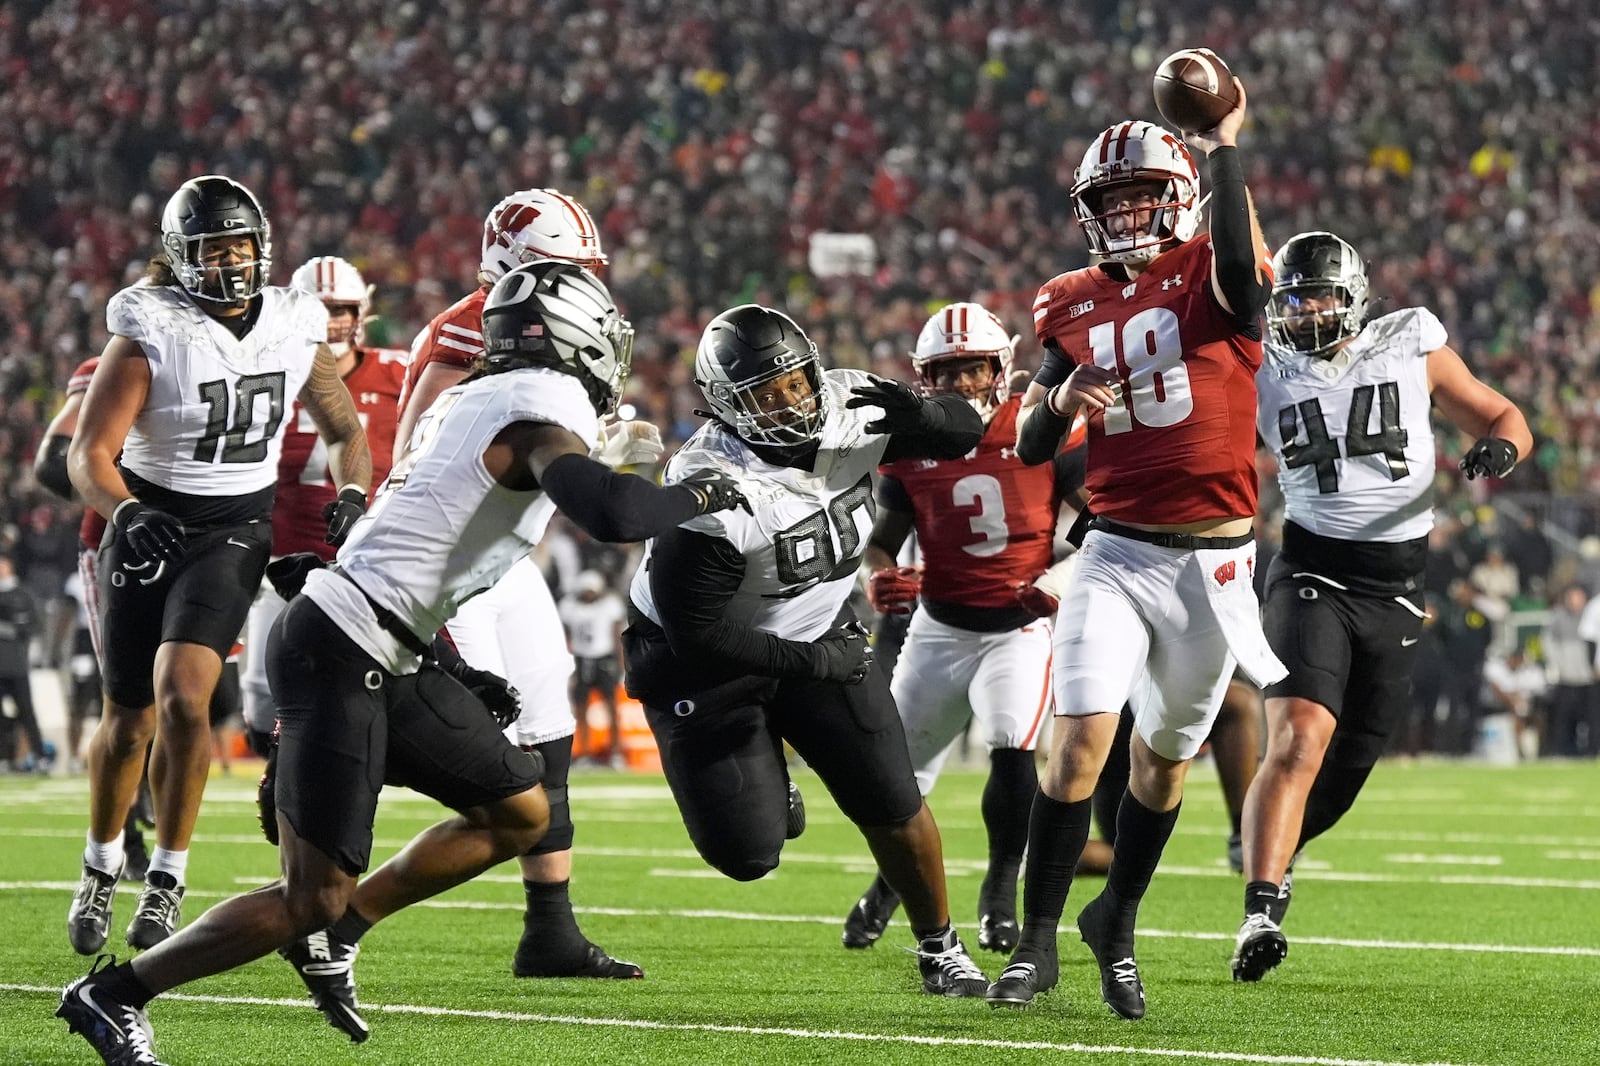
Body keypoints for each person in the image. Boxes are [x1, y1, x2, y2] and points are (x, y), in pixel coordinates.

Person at [56, 260, 752, 1066]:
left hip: (389, 641)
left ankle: (339, 938)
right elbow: (615, 512)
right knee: (308, 895)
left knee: (521, 813)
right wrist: (701, 493)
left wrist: (453, 668)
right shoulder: (538, 409)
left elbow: (425, 546)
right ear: (575, 340)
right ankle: (114, 995)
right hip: (344, 648)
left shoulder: (474, 397)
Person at [986, 86, 1286, 1019]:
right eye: (1108, 201)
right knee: (1077, 742)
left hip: (1215, 563)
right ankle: (1036, 947)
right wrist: (1057, 404)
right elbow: (1034, 444)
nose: (1124, 214)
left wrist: (1223, 142)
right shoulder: (1065, 301)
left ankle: (1114, 921)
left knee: (1162, 765)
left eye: (1140, 196)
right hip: (1113, 552)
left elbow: (1240, 264)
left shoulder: (1214, 268)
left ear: (1181, 194)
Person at [623, 303, 995, 998]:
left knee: (892, 797)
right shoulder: (710, 488)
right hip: (703, 666)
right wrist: (816, 664)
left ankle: (940, 947)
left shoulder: (852, 404)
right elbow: (699, 635)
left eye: (795, 382)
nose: (790, 402)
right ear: (725, 407)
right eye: (765, 394)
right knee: (747, 854)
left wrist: (920, 414)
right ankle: (768, 766)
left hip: (815, 627)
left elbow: (965, 428)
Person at [62, 174, 373, 957]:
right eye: (210, 248)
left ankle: (167, 879)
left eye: (239, 245)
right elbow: (86, 455)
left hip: (234, 525)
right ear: (179, 257)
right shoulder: (151, 328)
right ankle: (101, 865)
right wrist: (127, 511)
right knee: (128, 718)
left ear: (263, 247)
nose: (229, 262)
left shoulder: (293, 325)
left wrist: (356, 487)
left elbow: (343, 428)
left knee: (184, 698)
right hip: (149, 521)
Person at [1233, 230, 1533, 981]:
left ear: (1356, 297)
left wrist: (1500, 451)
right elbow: (1243, 253)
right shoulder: (1261, 368)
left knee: (1345, 771)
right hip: (1310, 571)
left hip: (1398, 589)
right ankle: (1259, 910)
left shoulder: (1411, 340)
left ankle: (1281, 855)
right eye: (1294, 299)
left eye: (1322, 296)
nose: (1305, 312)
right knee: (1299, 735)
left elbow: (1504, 416)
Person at [384, 187, 651, 989]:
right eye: (560, 270)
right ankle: (328, 868)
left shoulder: (545, 326)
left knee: (549, 728)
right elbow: (425, 450)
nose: (581, 286)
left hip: (506, 561)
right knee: (481, 753)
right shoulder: (475, 328)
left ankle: (550, 932)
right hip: (451, 569)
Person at [840, 302, 1085, 955]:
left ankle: (998, 892)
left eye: (974, 370)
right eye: (948, 375)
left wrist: (1060, 579)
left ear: (1000, 368)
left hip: (1017, 627)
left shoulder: (1041, 427)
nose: (964, 386)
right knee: (895, 780)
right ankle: (887, 889)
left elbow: (1104, 526)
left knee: (1011, 747)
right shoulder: (908, 445)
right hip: (937, 629)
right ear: (926, 380)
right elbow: (882, 542)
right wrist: (878, 574)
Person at [238, 254, 406, 754]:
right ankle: (289, 788)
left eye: (341, 309)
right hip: (284, 558)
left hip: (375, 559)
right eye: (319, 306)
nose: (331, 319)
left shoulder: (399, 373)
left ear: (361, 315)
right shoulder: (269, 371)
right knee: (263, 704)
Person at [558, 570, 628, 766]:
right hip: (580, 659)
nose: (589, 594)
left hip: (603, 658)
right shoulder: (569, 606)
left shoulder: (609, 605)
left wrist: (621, 663)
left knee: (612, 707)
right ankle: (585, 752)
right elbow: (566, 637)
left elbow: (617, 635)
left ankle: (615, 751)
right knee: (581, 708)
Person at [0, 554, 46, 771]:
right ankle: (5, 758)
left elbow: (33, 625)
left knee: (26, 711)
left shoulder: (23, 594)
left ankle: (39, 755)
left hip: (17, 665)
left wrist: (11, 629)